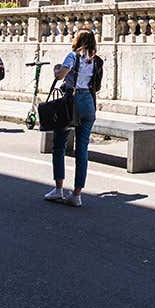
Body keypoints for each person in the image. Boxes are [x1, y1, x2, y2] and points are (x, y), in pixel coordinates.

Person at [44, 29, 102, 208]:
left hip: (71, 101)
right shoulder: (97, 60)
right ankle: (77, 194)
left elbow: (60, 75)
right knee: (82, 150)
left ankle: (59, 189)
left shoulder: (73, 56)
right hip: (89, 102)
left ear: (79, 40)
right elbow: (97, 85)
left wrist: (56, 69)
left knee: (59, 145)